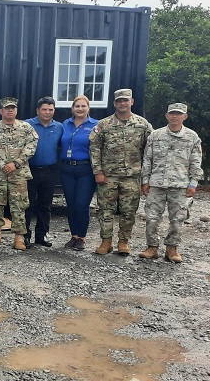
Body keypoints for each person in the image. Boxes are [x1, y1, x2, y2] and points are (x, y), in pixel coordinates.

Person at [89, 88, 153, 256]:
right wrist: (98, 171)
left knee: (129, 211)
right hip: (108, 176)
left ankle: (123, 241)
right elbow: (95, 148)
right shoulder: (104, 124)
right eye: (119, 101)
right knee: (105, 210)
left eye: (126, 100)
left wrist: (147, 176)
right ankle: (106, 241)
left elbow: (150, 150)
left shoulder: (143, 124)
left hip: (131, 177)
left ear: (131, 102)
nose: (122, 103)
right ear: (114, 104)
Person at [138, 103, 203, 263]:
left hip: (180, 186)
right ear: (167, 116)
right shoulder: (156, 135)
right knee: (152, 218)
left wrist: (193, 183)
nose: (175, 116)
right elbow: (147, 159)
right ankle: (151, 248)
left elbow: (196, 162)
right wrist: (145, 181)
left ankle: (171, 249)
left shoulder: (192, 137)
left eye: (178, 114)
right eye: (172, 113)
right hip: (157, 185)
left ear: (184, 117)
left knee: (177, 220)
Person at [0, 97, 39, 250]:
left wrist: (16, 163)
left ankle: (19, 238)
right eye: (7, 108)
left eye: (13, 108)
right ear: (1, 111)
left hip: (18, 173)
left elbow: (31, 146)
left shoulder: (26, 128)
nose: (10, 110)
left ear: (16, 110)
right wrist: (1, 164)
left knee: (19, 205)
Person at [24, 97, 64, 247]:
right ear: (37, 110)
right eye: (44, 109)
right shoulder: (27, 125)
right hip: (30, 169)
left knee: (45, 205)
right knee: (27, 204)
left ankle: (42, 235)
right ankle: (25, 235)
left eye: (51, 110)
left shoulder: (59, 127)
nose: (47, 112)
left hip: (50, 170)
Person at [59, 95, 98, 250]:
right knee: (71, 204)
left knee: (82, 204)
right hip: (67, 168)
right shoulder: (65, 124)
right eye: (77, 106)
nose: (80, 109)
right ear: (72, 109)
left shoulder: (95, 125)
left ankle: (81, 237)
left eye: (83, 106)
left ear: (88, 108)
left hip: (85, 169)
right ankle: (73, 236)